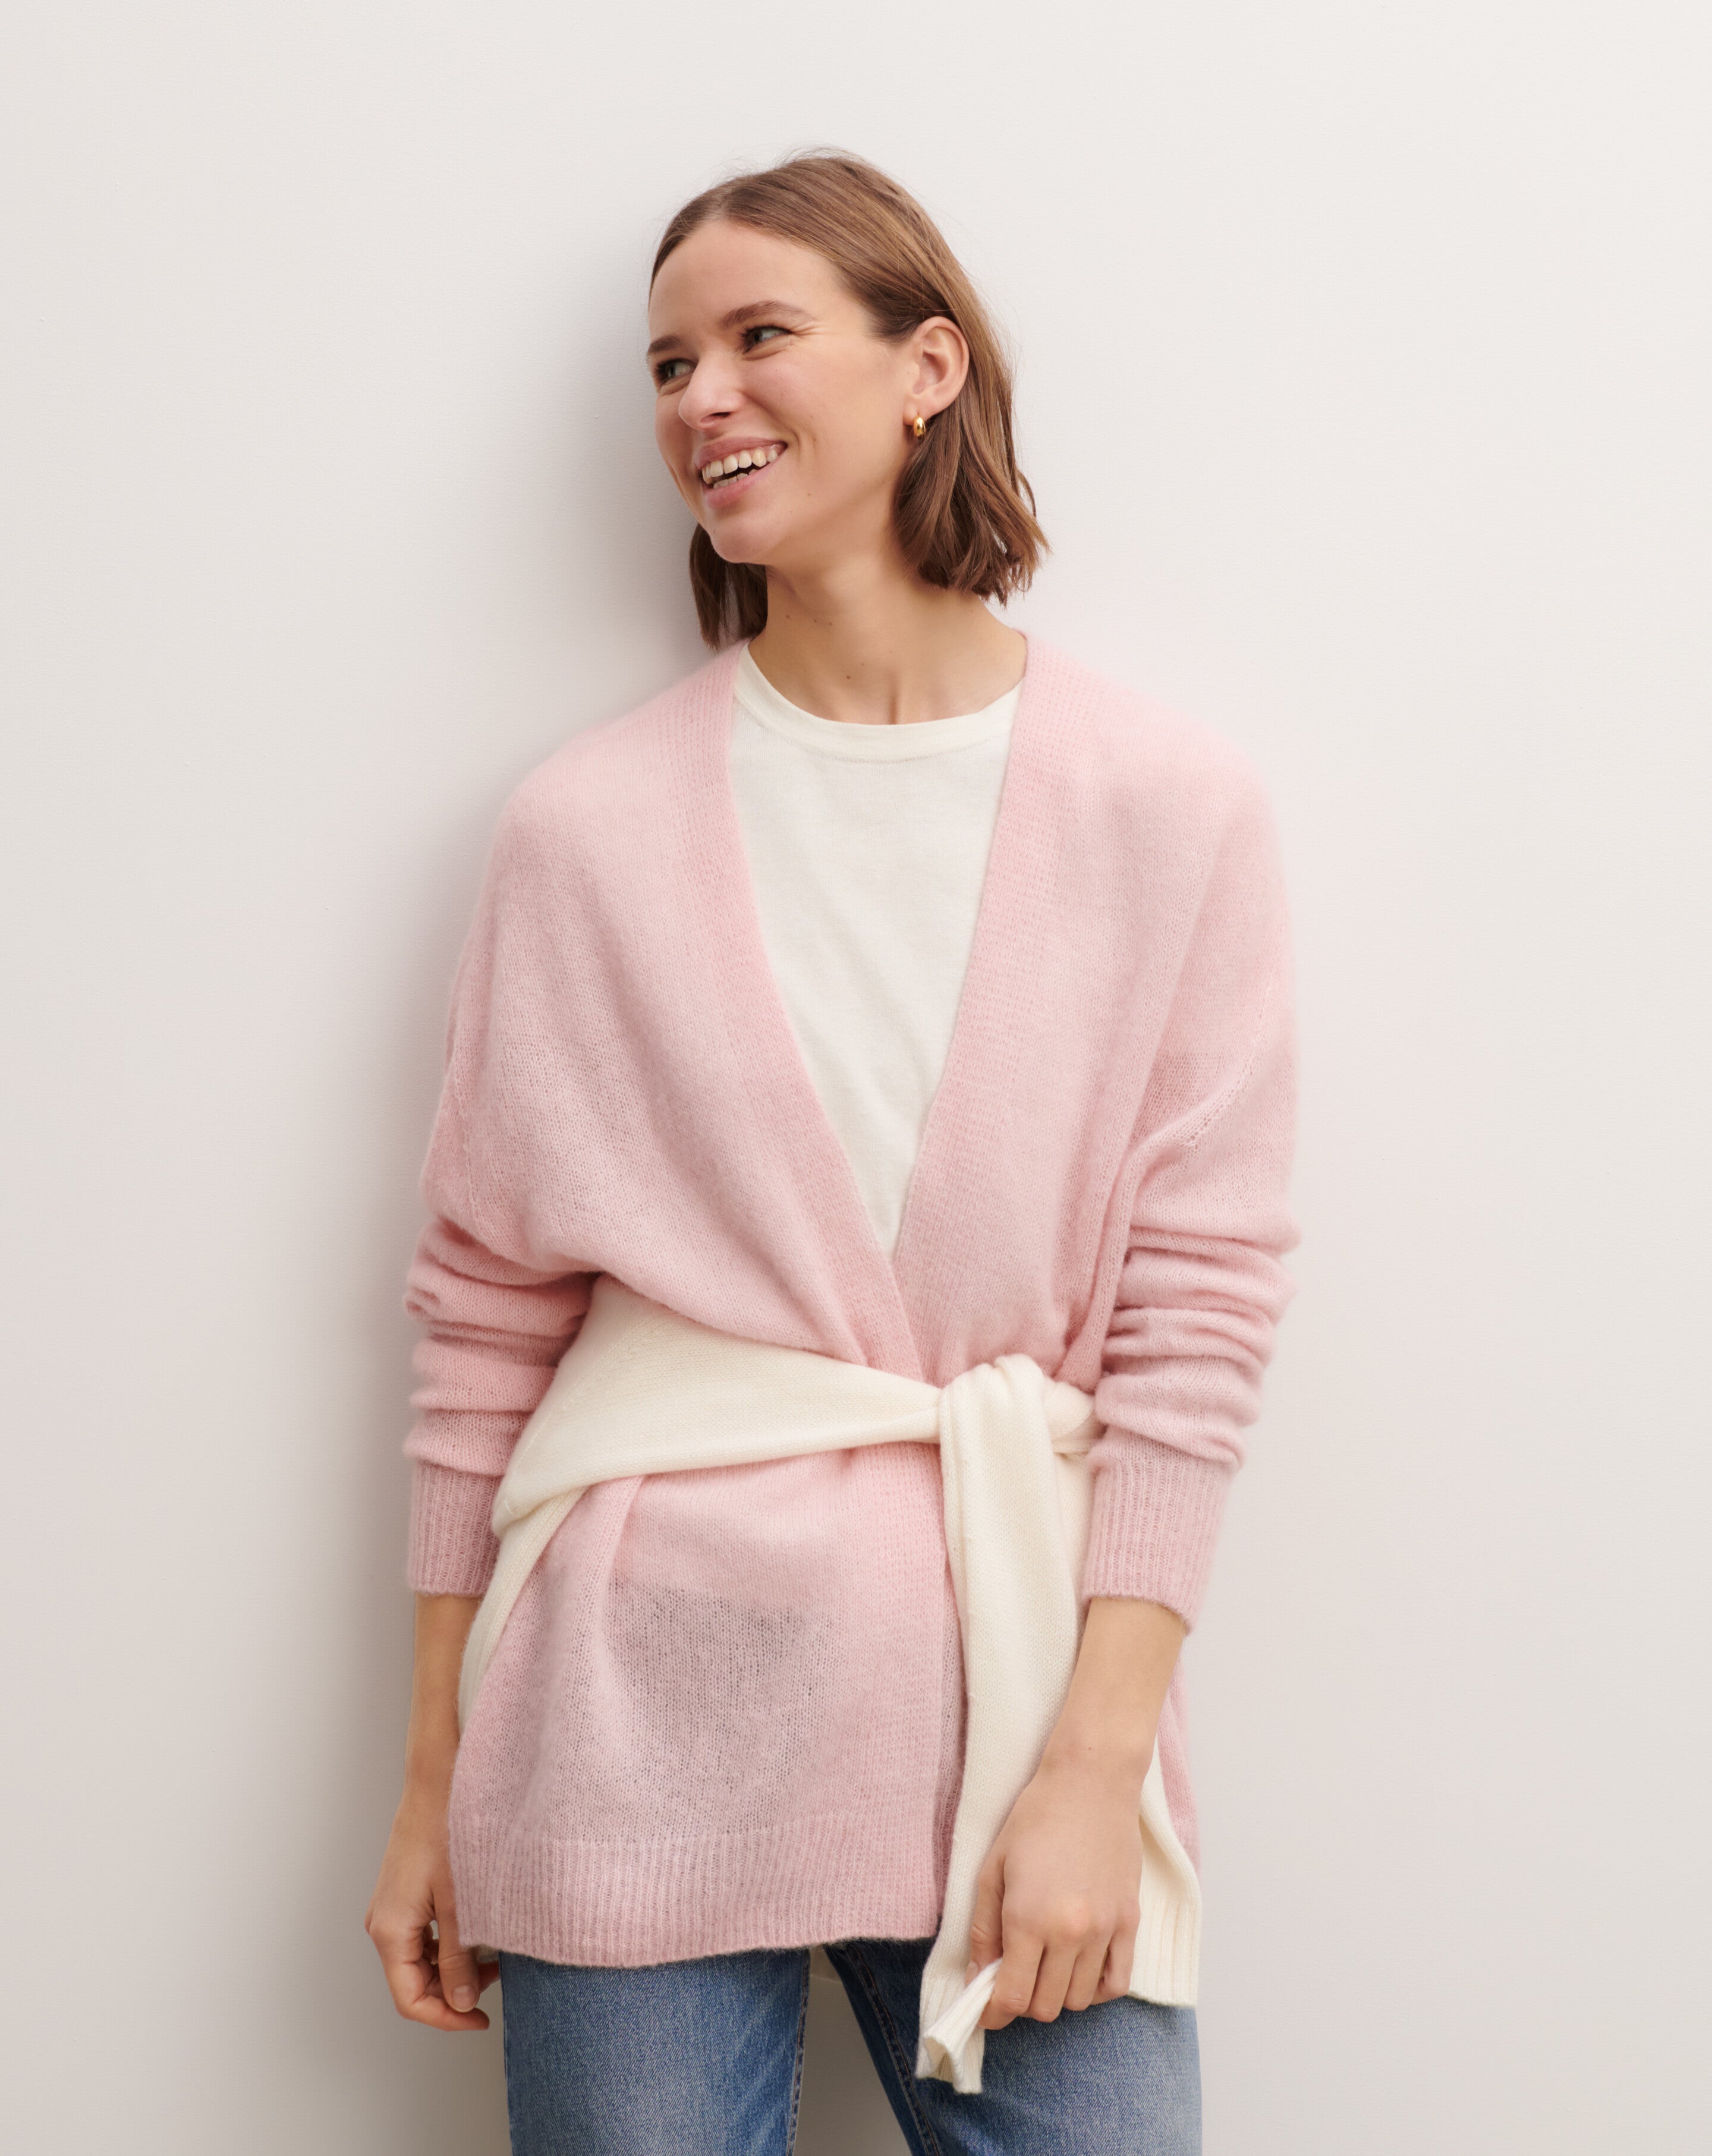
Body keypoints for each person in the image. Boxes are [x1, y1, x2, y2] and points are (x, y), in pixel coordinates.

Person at [364, 151, 1300, 2156]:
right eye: (667, 364)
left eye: (759, 336)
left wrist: (1098, 1763)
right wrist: (434, 1774)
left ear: (926, 367)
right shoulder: (586, 832)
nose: (700, 396)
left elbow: (1200, 1315)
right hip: (627, 1703)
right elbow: (481, 1316)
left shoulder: (1167, 808)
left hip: (1014, 1697)